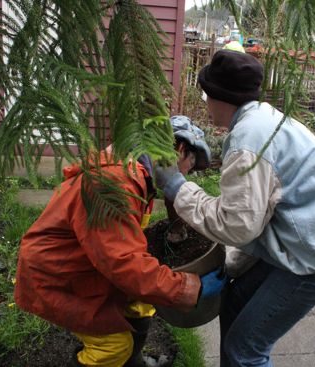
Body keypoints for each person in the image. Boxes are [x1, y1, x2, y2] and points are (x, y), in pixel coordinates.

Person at [155, 50, 315, 366]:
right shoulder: (262, 118)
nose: (205, 102)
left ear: (221, 97)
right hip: (314, 237)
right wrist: (232, 264)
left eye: (207, 94)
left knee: (246, 351)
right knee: (236, 301)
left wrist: (176, 187)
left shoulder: (248, 141)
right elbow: (261, 213)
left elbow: (237, 225)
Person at [14, 117, 224, 367]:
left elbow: (121, 249)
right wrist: (190, 288)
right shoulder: (115, 185)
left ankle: (133, 362)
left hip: (87, 263)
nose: (187, 176)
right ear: (179, 150)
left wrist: (174, 200)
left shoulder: (136, 172)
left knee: (142, 304)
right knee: (113, 346)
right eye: (189, 167)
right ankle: (117, 357)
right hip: (58, 277)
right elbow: (124, 264)